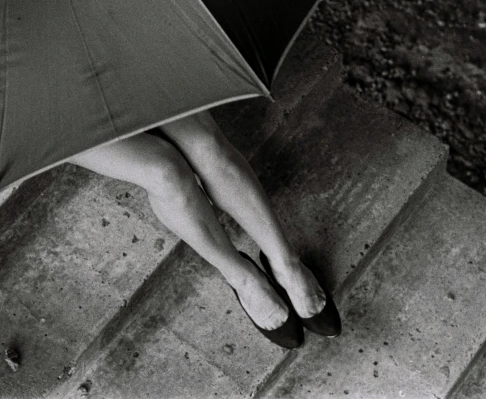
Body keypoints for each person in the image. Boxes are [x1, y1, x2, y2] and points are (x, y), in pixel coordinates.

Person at [66, 109, 340, 349]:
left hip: (108, 57)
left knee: (206, 145)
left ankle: (285, 263)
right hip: (53, 106)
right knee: (165, 173)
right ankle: (242, 278)